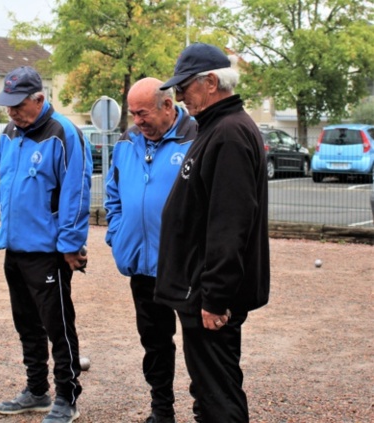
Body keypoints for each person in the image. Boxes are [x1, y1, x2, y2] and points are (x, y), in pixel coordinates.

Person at [154, 43, 270, 422]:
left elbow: (230, 223)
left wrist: (214, 298)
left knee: (218, 394)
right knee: (207, 389)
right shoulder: (216, 127)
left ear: (210, 82)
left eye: (183, 87)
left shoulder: (230, 134)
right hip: (198, 288)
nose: (179, 96)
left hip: (208, 294)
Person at [0, 65, 92, 423]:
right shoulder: (8, 133)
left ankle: (67, 396)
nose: (12, 112)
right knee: (26, 324)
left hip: (48, 253)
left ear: (40, 98)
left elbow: (76, 194)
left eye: (19, 105)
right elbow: (4, 183)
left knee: (58, 326)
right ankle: (36, 390)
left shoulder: (64, 134)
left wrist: (70, 245)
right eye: (8, 105)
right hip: (15, 247)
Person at [104, 77, 197, 423]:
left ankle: (207, 410)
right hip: (142, 267)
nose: (137, 121)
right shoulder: (127, 142)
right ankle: (162, 411)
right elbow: (113, 195)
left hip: (185, 268)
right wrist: (118, 234)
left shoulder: (196, 139)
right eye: (132, 114)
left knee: (199, 347)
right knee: (155, 344)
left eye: (143, 113)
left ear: (168, 107)